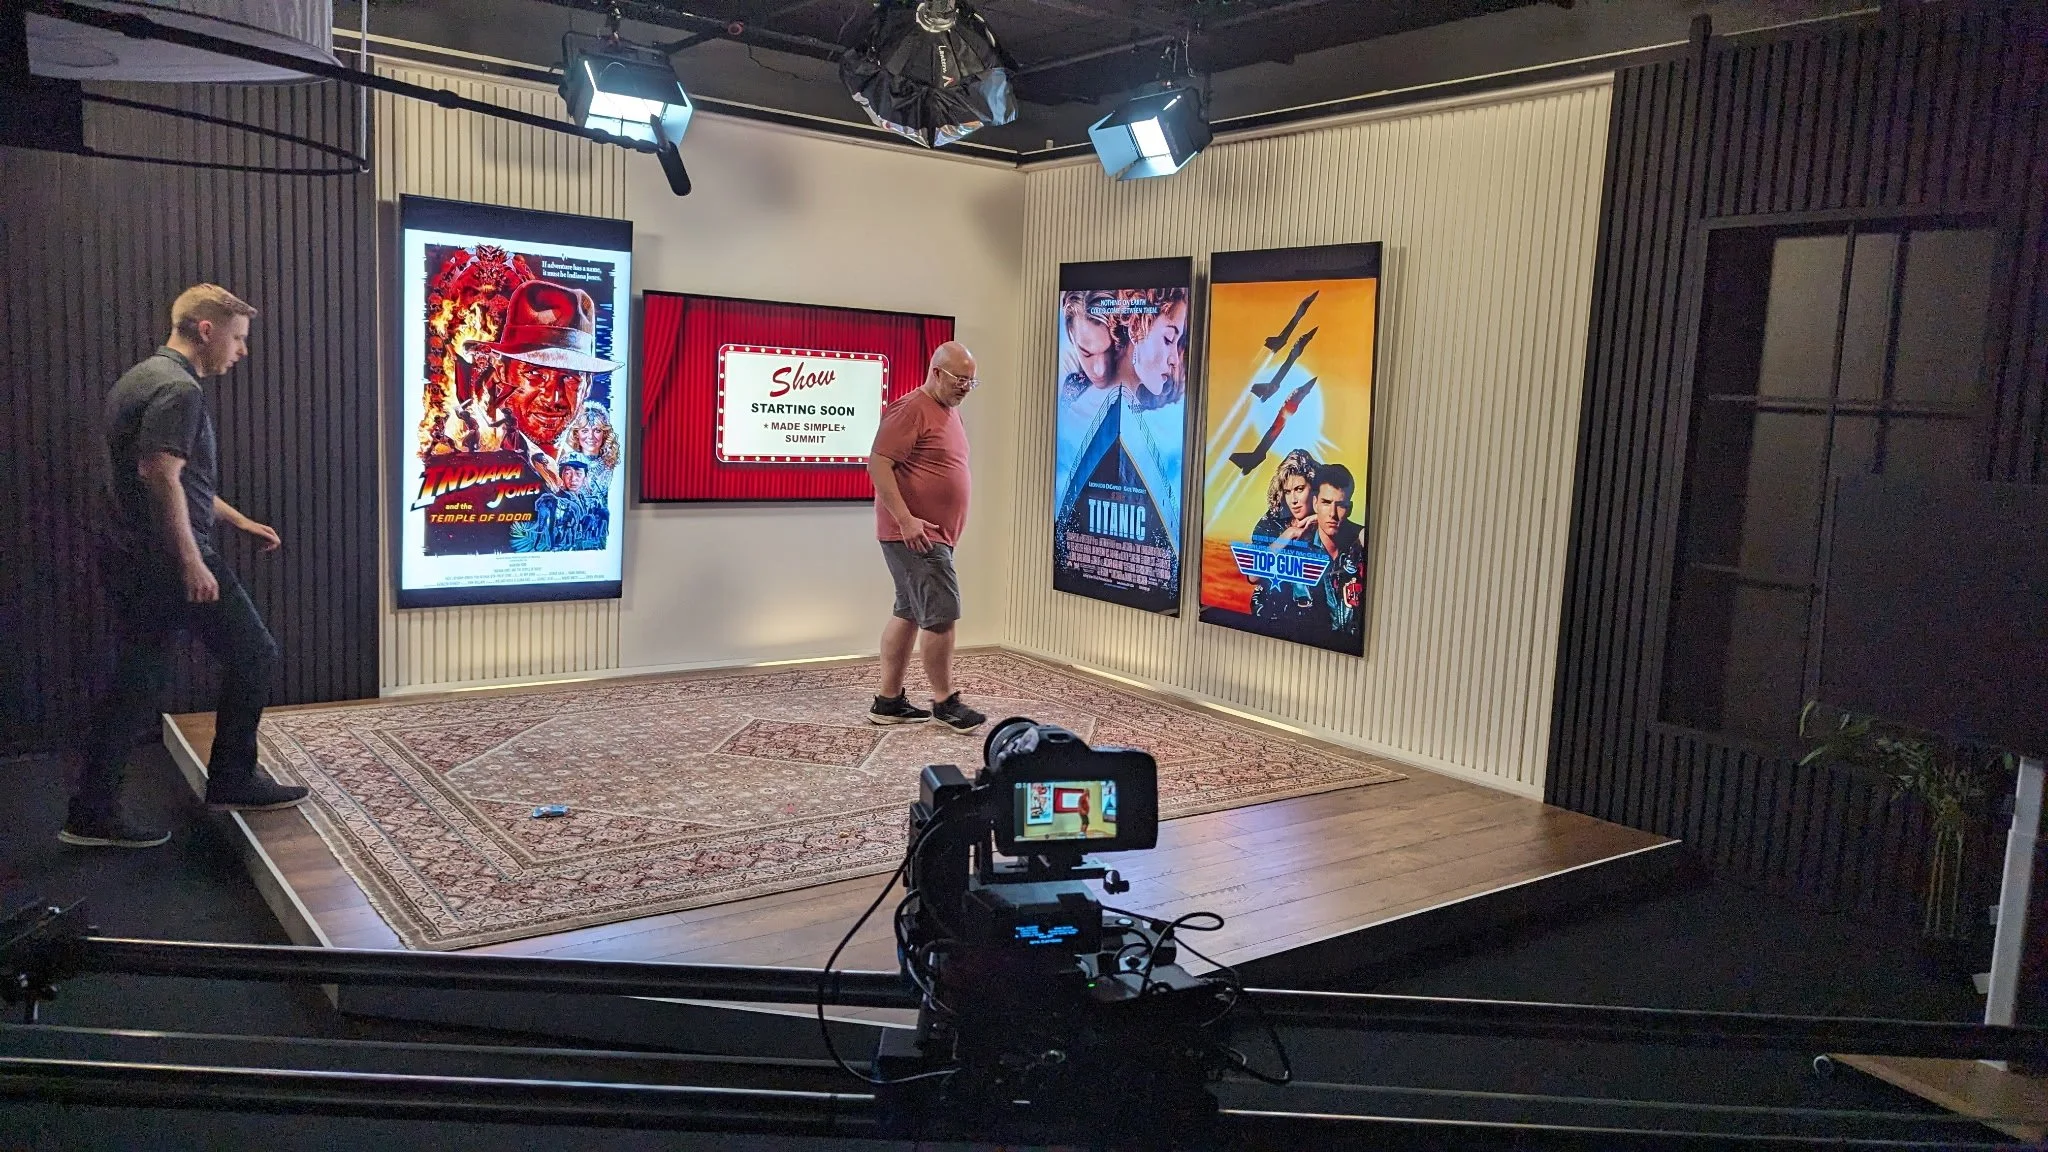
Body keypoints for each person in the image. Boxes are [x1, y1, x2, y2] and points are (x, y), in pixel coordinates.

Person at [65, 284, 310, 848]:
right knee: (253, 654)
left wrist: (237, 520)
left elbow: (175, 476)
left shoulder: (142, 377)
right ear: (206, 329)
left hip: (133, 555)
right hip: (165, 559)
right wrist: (193, 560)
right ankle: (233, 779)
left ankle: (91, 810)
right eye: (238, 338)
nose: (241, 351)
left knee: (136, 679)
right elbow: (160, 475)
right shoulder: (180, 390)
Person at [867, 342, 986, 733]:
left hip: (933, 535)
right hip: (916, 534)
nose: (966, 388)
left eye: (971, 381)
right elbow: (879, 463)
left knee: (909, 612)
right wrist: (906, 520)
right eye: (959, 380)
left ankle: (888, 701)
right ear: (936, 372)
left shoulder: (948, 413)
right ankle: (944, 701)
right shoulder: (911, 409)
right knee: (941, 615)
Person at [467, 279, 621, 491]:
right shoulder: (470, 439)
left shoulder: (585, 459)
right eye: (534, 373)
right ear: (502, 371)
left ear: (587, 385)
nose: (553, 398)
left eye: (569, 378)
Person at [1248, 449, 1321, 626]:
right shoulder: (1272, 521)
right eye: (1288, 492)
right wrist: (1287, 536)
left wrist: (1322, 519)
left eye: (1299, 489)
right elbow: (1253, 576)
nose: (1293, 499)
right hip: (1270, 615)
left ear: (1314, 489)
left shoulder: (1328, 521)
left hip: (1316, 624)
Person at [1301, 463, 1367, 644]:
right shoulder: (1299, 549)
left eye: (1341, 505)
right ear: (1314, 503)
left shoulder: (1360, 544)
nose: (1332, 514)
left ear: (1350, 508)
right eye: (1326, 503)